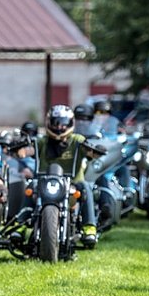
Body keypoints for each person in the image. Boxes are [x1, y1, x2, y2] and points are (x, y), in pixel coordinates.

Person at [35, 105, 98, 248]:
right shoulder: (43, 141)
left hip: (73, 183)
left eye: (63, 122)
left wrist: (92, 152)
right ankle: (20, 225)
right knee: (29, 188)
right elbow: (31, 148)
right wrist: (21, 149)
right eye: (56, 122)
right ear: (49, 122)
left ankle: (90, 227)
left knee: (86, 187)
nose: (59, 126)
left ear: (70, 123)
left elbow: (88, 149)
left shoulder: (77, 140)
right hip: (46, 183)